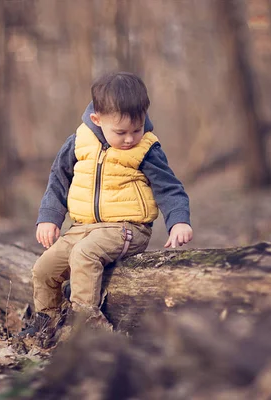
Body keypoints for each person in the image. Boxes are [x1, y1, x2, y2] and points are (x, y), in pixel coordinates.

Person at [19, 71, 193, 340]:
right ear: (97, 120)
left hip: (127, 228)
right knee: (44, 269)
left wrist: (179, 220)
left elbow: (169, 187)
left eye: (137, 129)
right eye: (121, 132)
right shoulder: (79, 141)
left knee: (84, 254)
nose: (129, 138)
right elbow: (58, 179)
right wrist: (49, 217)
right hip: (82, 228)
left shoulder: (146, 148)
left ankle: (83, 325)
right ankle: (47, 321)